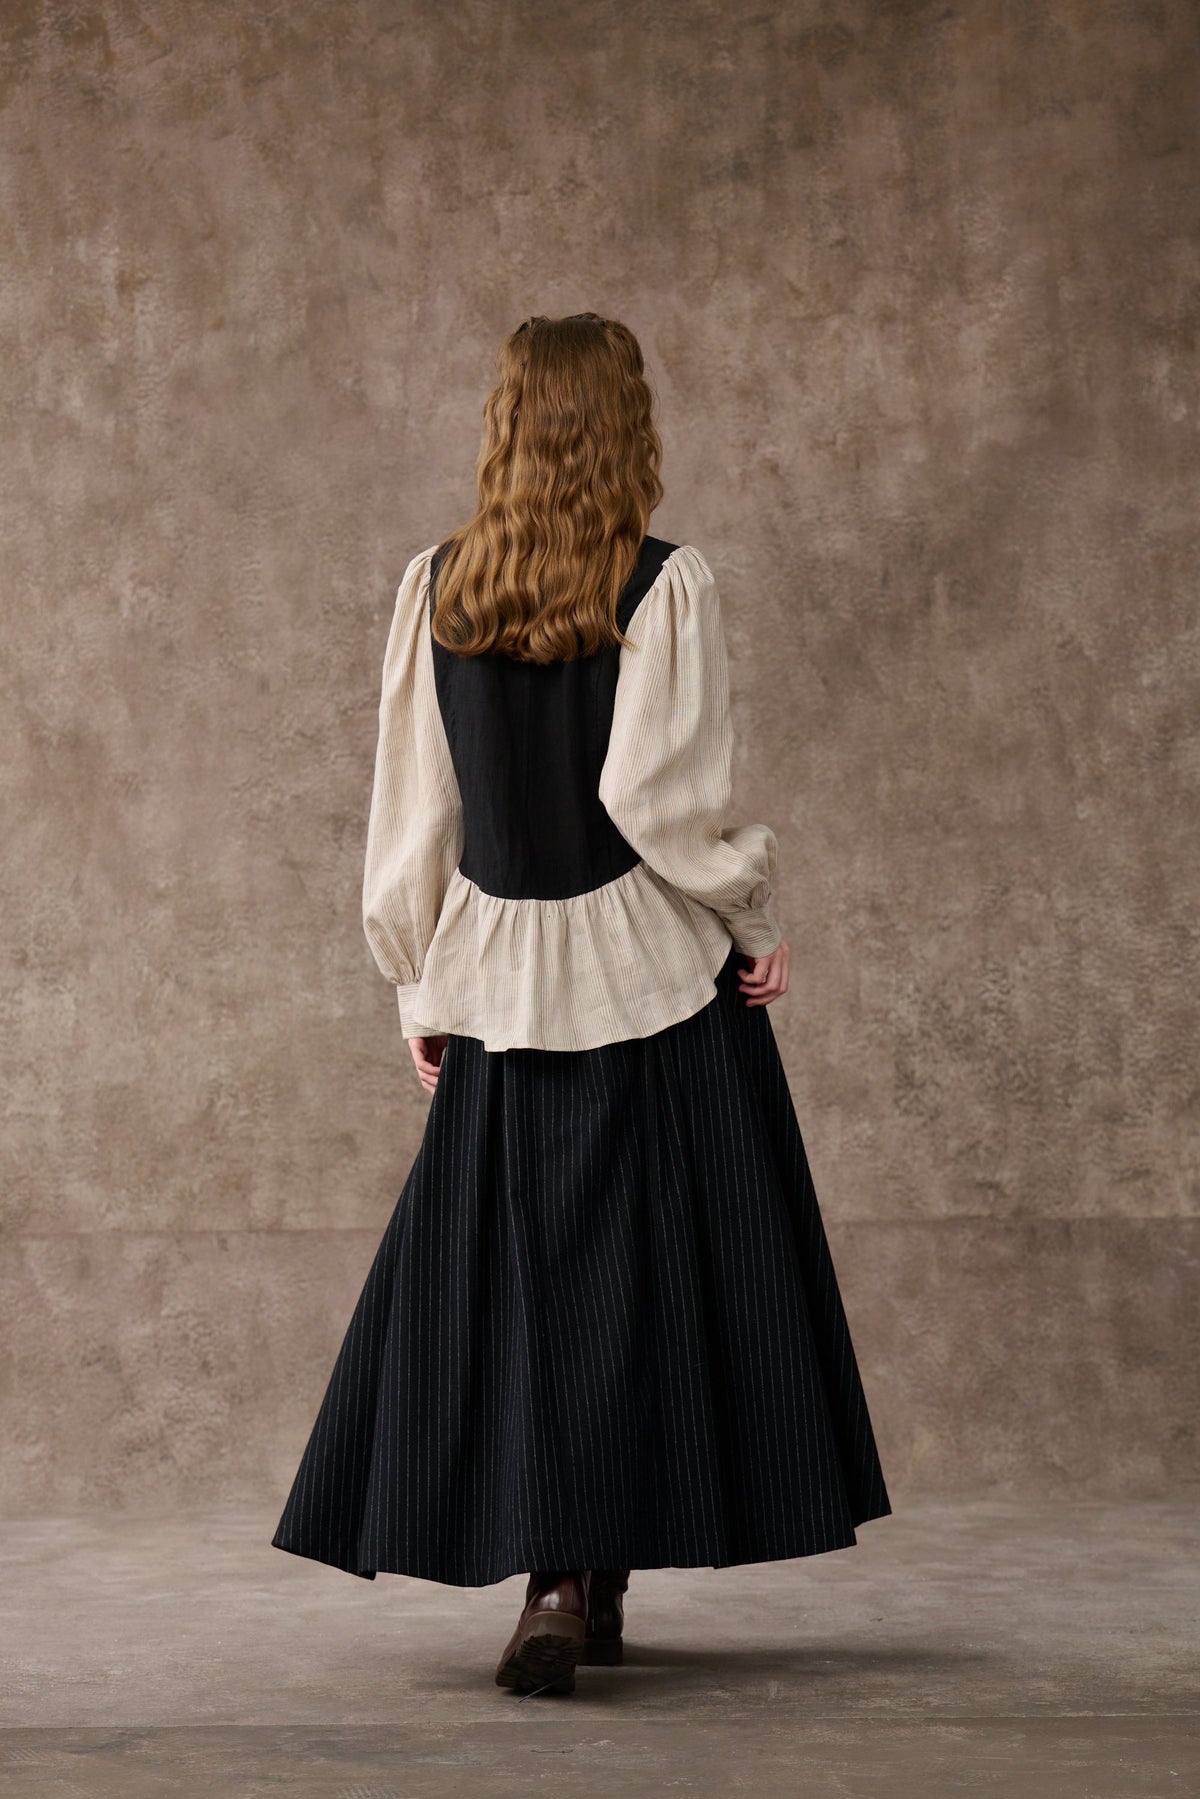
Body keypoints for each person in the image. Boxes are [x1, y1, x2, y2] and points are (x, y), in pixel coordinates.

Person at [271, 311, 890, 1697]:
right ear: (627, 424)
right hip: (651, 974)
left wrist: (421, 978)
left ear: (506, 424)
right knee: (658, 1279)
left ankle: (571, 1577)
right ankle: (574, 1575)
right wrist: (753, 915)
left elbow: (414, 809)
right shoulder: (665, 583)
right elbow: (657, 799)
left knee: (523, 1281)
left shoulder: (437, 585)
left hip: (500, 978)